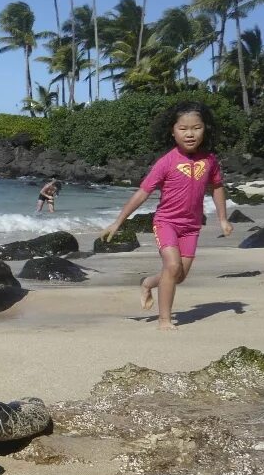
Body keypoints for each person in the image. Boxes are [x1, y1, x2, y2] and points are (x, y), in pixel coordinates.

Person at [100, 101, 233, 330]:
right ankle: (164, 320)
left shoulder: (209, 160)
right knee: (172, 267)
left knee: (179, 276)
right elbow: (142, 193)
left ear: (205, 129)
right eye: (183, 129)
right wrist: (118, 222)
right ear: (172, 131)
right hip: (166, 222)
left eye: (196, 128)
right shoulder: (167, 162)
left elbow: (217, 187)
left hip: (192, 226)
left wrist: (223, 218)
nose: (190, 134)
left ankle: (149, 282)